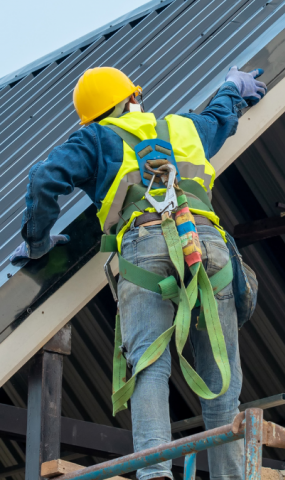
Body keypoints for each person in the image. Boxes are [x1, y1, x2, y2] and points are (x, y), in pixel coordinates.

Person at [11, 65, 267, 480]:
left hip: (144, 250)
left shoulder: (96, 137)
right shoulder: (182, 127)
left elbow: (44, 176)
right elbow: (220, 117)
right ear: (133, 98)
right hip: (207, 250)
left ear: (96, 115)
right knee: (220, 381)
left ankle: (155, 475)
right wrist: (232, 87)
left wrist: (37, 241)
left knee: (150, 365)